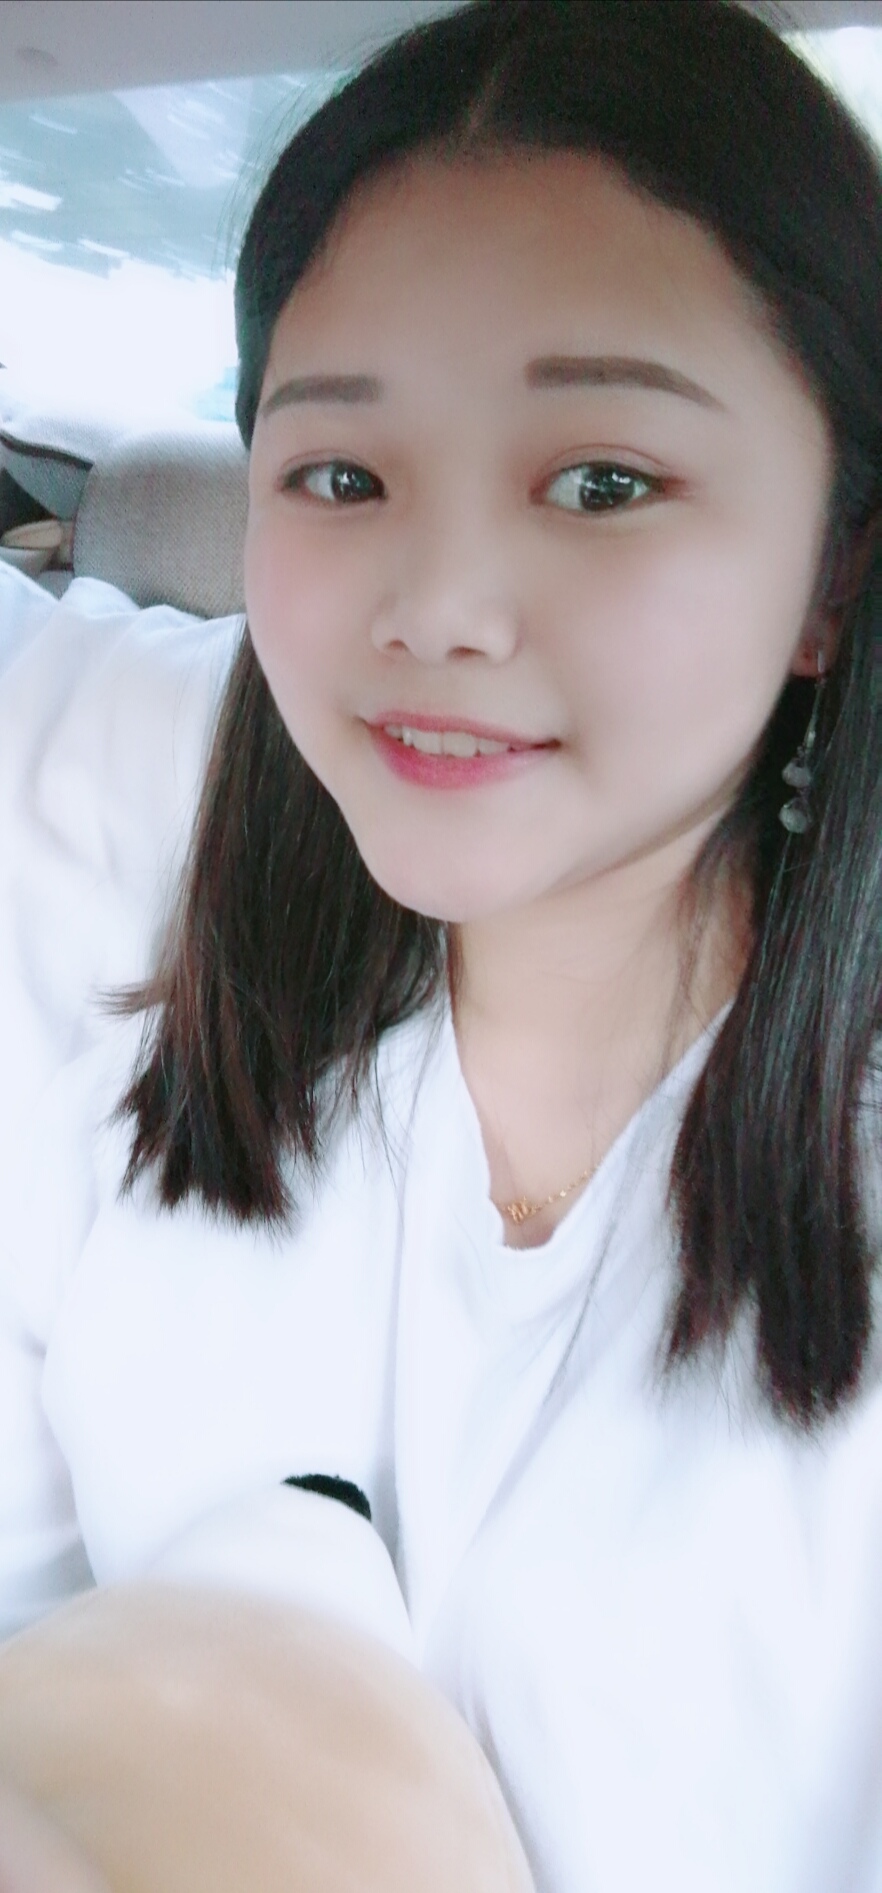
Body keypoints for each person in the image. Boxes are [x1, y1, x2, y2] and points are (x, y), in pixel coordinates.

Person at [0, 2, 880, 1889]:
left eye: (600, 480)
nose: (440, 608)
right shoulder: (129, 1093)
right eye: (342, 476)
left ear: (831, 572)